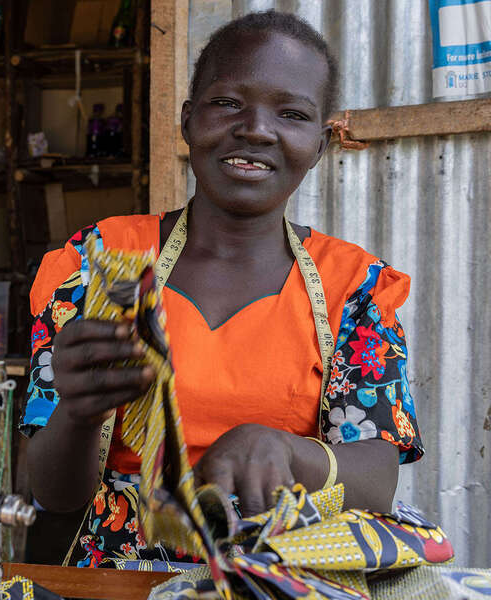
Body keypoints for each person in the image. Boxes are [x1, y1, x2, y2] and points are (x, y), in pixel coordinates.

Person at [21, 11, 422, 568]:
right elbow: (52, 493)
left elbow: (377, 479)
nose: (256, 128)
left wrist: (285, 449)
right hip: (120, 579)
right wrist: (80, 415)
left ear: (319, 141)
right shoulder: (100, 266)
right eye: (229, 103)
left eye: (292, 113)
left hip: (281, 574)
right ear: (188, 120)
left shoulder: (352, 285)